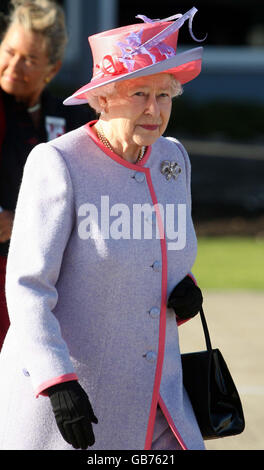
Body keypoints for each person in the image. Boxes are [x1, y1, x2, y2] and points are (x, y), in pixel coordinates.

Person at [0, 7, 205, 450]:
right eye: (138, 94)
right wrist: (57, 383)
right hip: (74, 402)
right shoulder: (57, 163)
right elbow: (27, 287)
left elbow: (164, 258)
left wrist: (185, 288)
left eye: (164, 95)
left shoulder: (174, 159)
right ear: (104, 97)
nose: (154, 109)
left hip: (159, 394)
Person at [0, 0, 94, 348]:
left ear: (52, 69)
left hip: (53, 282)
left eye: (29, 59)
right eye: (9, 51)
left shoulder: (69, 117)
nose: (13, 66)